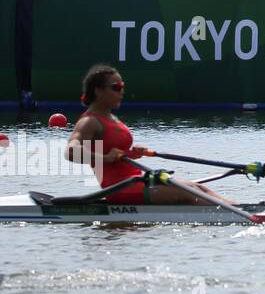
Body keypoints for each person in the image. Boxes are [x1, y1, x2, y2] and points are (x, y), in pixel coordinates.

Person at [65, 64, 234, 205]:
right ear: (98, 91)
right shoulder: (89, 121)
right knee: (186, 192)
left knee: (195, 186)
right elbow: (71, 152)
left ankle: (239, 208)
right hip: (121, 189)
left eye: (122, 87)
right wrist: (107, 158)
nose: (121, 92)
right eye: (116, 88)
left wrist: (131, 153)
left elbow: (117, 153)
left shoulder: (111, 117)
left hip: (137, 180)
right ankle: (235, 216)